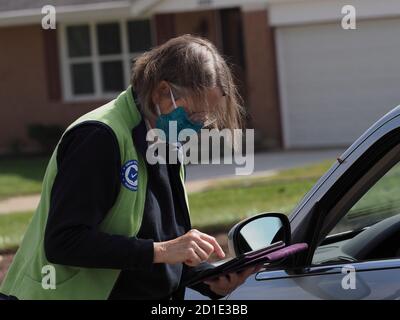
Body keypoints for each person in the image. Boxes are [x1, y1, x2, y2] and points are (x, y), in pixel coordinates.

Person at [0, 34, 258, 300]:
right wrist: (160, 251)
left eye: (204, 119)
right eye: (194, 114)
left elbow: (160, 240)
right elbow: (64, 242)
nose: (196, 126)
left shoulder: (165, 137)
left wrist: (205, 278)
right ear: (162, 91)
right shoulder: (99, 137)